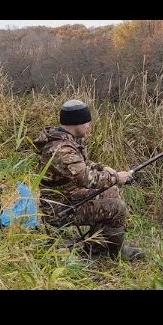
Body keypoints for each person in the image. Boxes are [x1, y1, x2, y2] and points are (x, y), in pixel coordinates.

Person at [33, 99, 145, 261]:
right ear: (75, 123)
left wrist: (102, 167)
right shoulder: (60, 149)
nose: (89, 126)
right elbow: (85, 178)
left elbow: (81, 164)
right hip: (60, 209)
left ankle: (97, 247)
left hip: (69, 197)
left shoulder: (67, 141)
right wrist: (117, 177)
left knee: (111, 192)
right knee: (117, 208)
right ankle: (115, 254)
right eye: (86, 122)